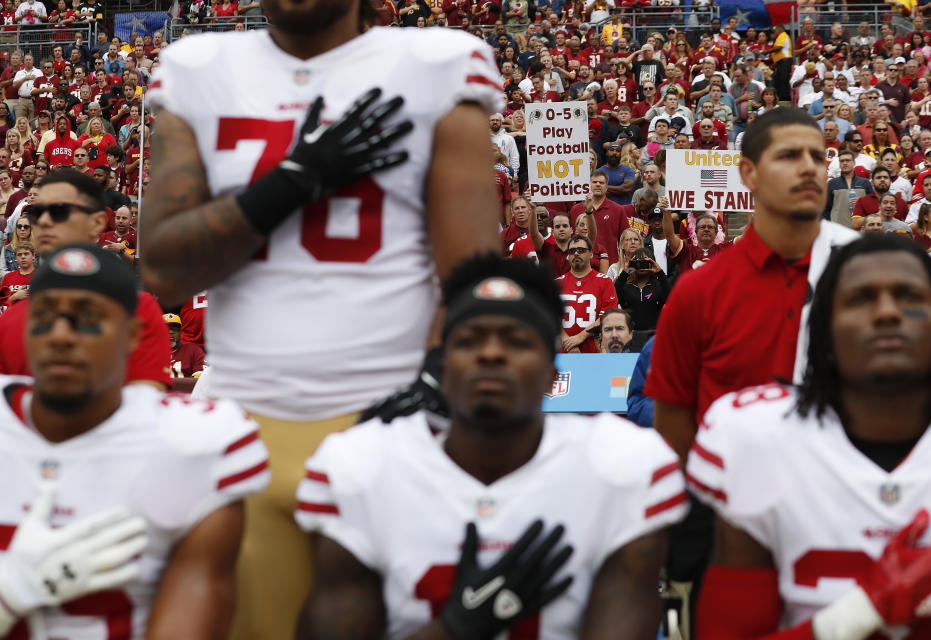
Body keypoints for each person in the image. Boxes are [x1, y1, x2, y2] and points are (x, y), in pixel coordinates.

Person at [141, 6, 506, 637]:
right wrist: (295, 178)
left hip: (392, 418)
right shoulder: (200, 68)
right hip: (243, 428)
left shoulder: (432, 68)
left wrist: (434, 392)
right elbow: (165, 271)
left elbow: (472, 280)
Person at [295, 254, 688, 639]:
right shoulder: (365, 467)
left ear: (555, 374)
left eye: (517, 341)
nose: (492, 353)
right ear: (443, 368)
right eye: (470, 340)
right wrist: (456, 628)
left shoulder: (621, 467)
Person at [644, 108, 859, 637]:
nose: (810, 168)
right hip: (729, 535)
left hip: (847, 517)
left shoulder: (868, 275)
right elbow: (673, 426)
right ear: (748, 173)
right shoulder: (697, 292)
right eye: (789, 156)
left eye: (818, 156)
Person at [690, 235, 931, 637]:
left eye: (910, 297)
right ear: (823, 328)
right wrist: (868, 610)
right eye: (860, 298)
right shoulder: (757, 439)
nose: (887, 312)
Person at [0, 242, 270, 639]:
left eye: (87, 317)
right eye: (43, 316)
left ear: (132, 336)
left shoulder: (190, 445)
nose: (60, 334)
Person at [0, 170, 169, 389]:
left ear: (97, 222)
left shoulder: (138, 311)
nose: (43, 221)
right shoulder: (10, 322)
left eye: (59, 211)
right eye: (38, 212)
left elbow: (145, 407)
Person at [556, 234, 618, 353]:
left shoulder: (605, 281)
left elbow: (608, 315)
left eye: (581, 250)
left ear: (591, 254)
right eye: (572, 251)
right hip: (563, 351)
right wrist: (568, 343)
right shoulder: (557, 283)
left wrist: (580, 337)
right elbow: (551, 316)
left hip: (594, 350)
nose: (576, 253)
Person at [613, 246, 671, 333]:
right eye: (637, 262)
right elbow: (614, 298)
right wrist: (626, 272)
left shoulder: (659, 284)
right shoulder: (626, 286)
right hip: (630, 336)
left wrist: (660, 273)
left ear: (652, 262)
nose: (641, 264)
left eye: (644, 261)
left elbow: (670, 299)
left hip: (653, 335)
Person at [165, 312, 206, 379]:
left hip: (187, 389)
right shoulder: (152, 353)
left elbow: (201, 379)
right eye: (166, 329)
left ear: (181, 332)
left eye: (175, 329)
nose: (171, 332)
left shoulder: (194, 351)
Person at [0, 239, 33, 306]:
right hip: (13, 315)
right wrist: (14, 297)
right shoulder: (8, 277)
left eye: (26, 254)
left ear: (33, 256)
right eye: (19, 255)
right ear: (15, 257)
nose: (23, 257)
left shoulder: (41, 275)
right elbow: (1, 305)